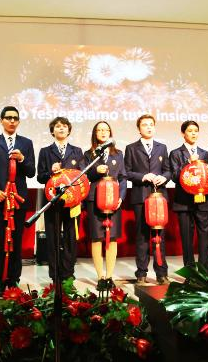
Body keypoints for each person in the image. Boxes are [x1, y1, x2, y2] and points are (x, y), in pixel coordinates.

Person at [0, 106, 35, 297]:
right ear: (1, 121)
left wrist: (22, 159)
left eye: (15, 118)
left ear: (18, 121)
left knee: (16, 241)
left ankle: (13, 281)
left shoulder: (26, 143)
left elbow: (31, 172)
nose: (12, 121)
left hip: (18, 200)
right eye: (8, 117)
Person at [124, 114, 171, 284]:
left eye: (151, 124)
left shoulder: (162, 147)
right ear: (139, 129)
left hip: (159, 197)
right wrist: (143, 176)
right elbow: (126, 172)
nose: (149, 127)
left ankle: (162, 273)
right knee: (142, 235)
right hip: (141, 196)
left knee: (159, 236)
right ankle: (141, 273)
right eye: (145, 125)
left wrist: (164, 177)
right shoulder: (131, 148)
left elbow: (168, 170)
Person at [36, 117, 84, 283]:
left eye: (64, 126)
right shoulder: (45, 151)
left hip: (72, 202)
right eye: (57, 126)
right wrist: (50, 172)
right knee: (53, 238)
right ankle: (55, 275)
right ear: (52, 131)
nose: (61, 128)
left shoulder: (77, 151)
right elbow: (40, 177)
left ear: (69, 130)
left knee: (70, 238)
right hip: (52, 201)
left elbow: (82, 176)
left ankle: (68, 274)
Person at [82, 121, 126, 288]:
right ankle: (100, 277)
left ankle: (109, 276)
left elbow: (123, 177)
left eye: (106, 130)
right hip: (94, 199)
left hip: (113, 200)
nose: (103, 132)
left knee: (112, 238)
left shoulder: (118, 154)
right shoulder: (88, 154)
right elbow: (84, 176)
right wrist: (95, 171)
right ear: (95, 133)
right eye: (99, 130)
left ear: (110, 133)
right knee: (96, 237)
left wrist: (121, 196)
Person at [169, 120, 208, 271]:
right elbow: (174, 176)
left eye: (196, 131)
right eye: (190, 131)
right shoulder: (175, 153)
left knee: (204, 237)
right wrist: (188, 162)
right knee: (186, 238)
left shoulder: (205, 154)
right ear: (183, 133)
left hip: (202, 200)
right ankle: (190, 272)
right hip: (183, 201)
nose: (193, 133)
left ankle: (205, 272)